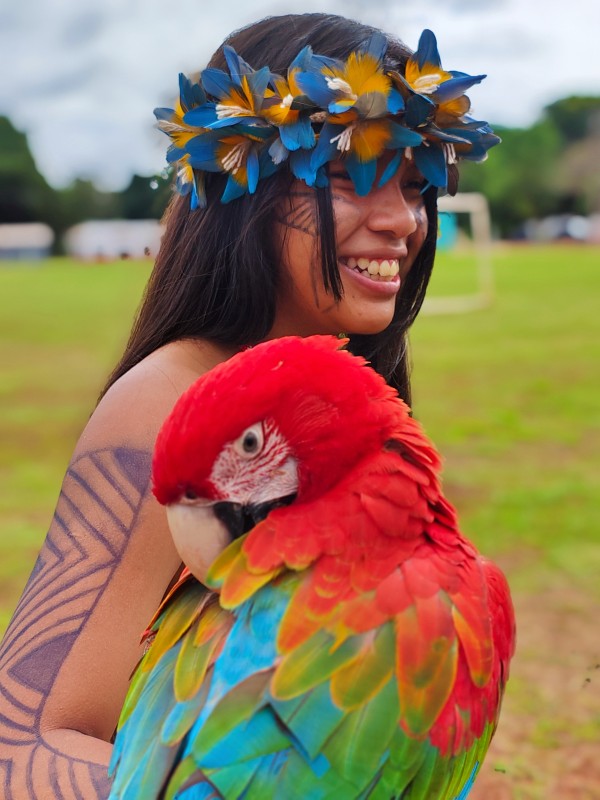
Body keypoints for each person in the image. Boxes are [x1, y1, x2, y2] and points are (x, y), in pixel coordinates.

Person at [0, 12, 498, 798]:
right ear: (245, 195)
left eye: (416, 186)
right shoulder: (170, 401)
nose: (404, 220)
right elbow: (20, 744)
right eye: (350, 176)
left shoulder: (342, 403)